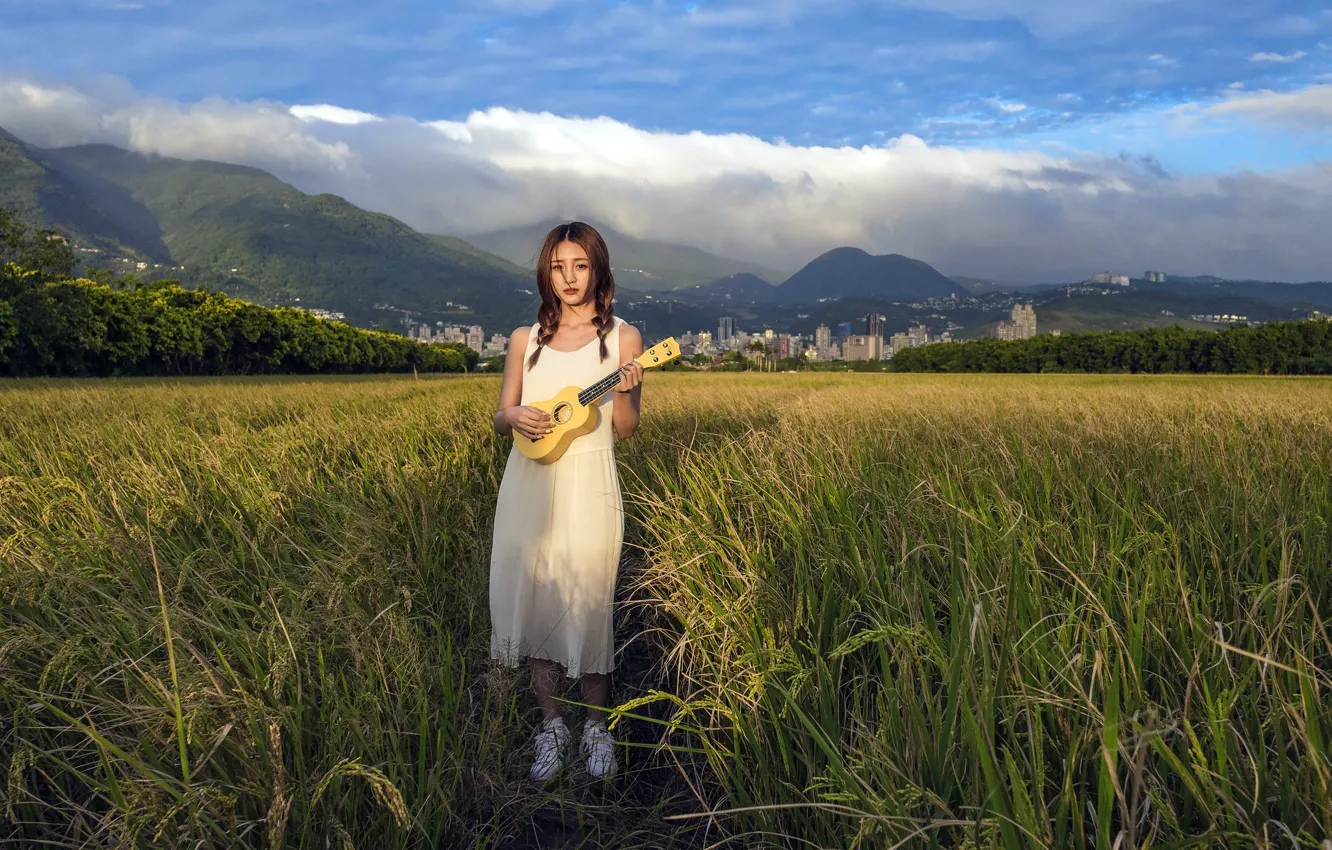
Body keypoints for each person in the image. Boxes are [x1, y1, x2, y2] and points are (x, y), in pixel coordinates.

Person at [489, 221, 644, 782]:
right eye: (559, 267)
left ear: (599, 269)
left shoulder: (624, 339)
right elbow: (501, 414)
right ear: (546, 273)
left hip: (591, 482)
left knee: (590, 601)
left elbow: (625, 429)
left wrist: (626, 391)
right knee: (538, 599)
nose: (570, 277)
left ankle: (597, 728)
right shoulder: (524, 340)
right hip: (528, 480)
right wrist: (513, 415)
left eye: (580, 265)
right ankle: (552, 725)